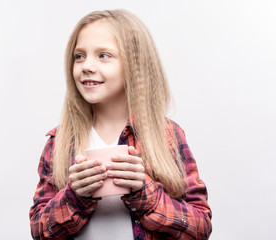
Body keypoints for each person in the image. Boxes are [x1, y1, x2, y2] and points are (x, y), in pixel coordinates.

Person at [29, 9, 212, 240]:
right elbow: (39, 230)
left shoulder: (167, 135)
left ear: (134, 66)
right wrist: (73, 197)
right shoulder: (60, 142)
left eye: (103, 55)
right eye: (79, 56)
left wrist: (146, 193)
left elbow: (201, 227)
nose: (87, 66)